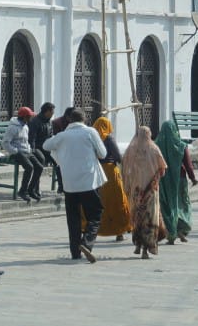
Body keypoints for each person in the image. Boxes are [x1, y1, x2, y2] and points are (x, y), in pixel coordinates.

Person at [43, 108, 107, 262]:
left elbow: (46, 145)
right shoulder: (90, 132)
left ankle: (75, 252)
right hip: (89, 182)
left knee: (73, 218)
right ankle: (86, 242)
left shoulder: (62, 136)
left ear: (69, 120)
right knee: (95, 215)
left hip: (69, 184)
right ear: (84, 119)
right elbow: (103, 153)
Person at [121, 126, 168, 259]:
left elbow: (124, 166)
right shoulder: (154, 149)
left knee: (137, 217)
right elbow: (162, 169)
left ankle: (138, 244)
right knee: (150, 218)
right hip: (151, 191)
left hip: (136, 191)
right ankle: (146, 250)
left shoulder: (131, 150)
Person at [155, 120, 196, 244]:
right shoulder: (181, 146)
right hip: (180, 179)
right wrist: (193, 178)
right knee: (181, 204)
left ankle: (170, 232)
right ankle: (181, 230)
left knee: (167, 206)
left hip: (163, 181)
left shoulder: (156, 145)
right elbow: (188, 165)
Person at [92, 116, 131, 242]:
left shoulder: (92, 137)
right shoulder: (108, 138)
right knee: (117, 200)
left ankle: (97, 230)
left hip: (97, 172)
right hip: (110, 171)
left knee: (101, 202)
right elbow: (117, 156)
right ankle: (119, 232)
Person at [2, 106, 45, 201]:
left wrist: (29, 149)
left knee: (39, 167)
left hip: (26, 151)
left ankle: (31, 189)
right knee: (29, 167)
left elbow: (26, 141)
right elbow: (5, 143)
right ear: (25, 117)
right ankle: (22, 191)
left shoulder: (25, 126)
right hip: (17, 153)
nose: (31, 118)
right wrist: (15, 151)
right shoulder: (13, 128)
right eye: (29, 116)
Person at [29, 102, 60, 193]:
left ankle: (62, 186)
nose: (52, 114)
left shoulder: (49, 121)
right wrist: (33, 150)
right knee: (40, 160)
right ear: (46, 111)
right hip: (37, 147)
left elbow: (51, 135)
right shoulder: (35, 121)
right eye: (51, 112)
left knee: (59, 160)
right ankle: (35, 188)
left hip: (47, 147)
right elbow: (32, 138)